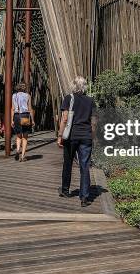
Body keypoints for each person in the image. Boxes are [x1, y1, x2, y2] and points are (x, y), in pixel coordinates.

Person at [57, 76, 97, 207]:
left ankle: (64, 190)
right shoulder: (91, 101)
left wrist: (60, 135)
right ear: (85, 86)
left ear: (73, 86)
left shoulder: (69, 98)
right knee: (84, 166)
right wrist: (92, 136)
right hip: (85, 136)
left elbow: (64, 119)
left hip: (71, 136)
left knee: (67, 162)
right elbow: (94, 122)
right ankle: (84, 197)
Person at [11, 82, 34, 162]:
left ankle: (17, 150)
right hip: (25, 116)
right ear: (24, 88)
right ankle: (23, 156)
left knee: (18, 136)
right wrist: (33, 120)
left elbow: (12, 109)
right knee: (25, 137)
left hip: (17, 116)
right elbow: (30, 108)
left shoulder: (14, 96)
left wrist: (12, 120)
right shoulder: (28, 96)